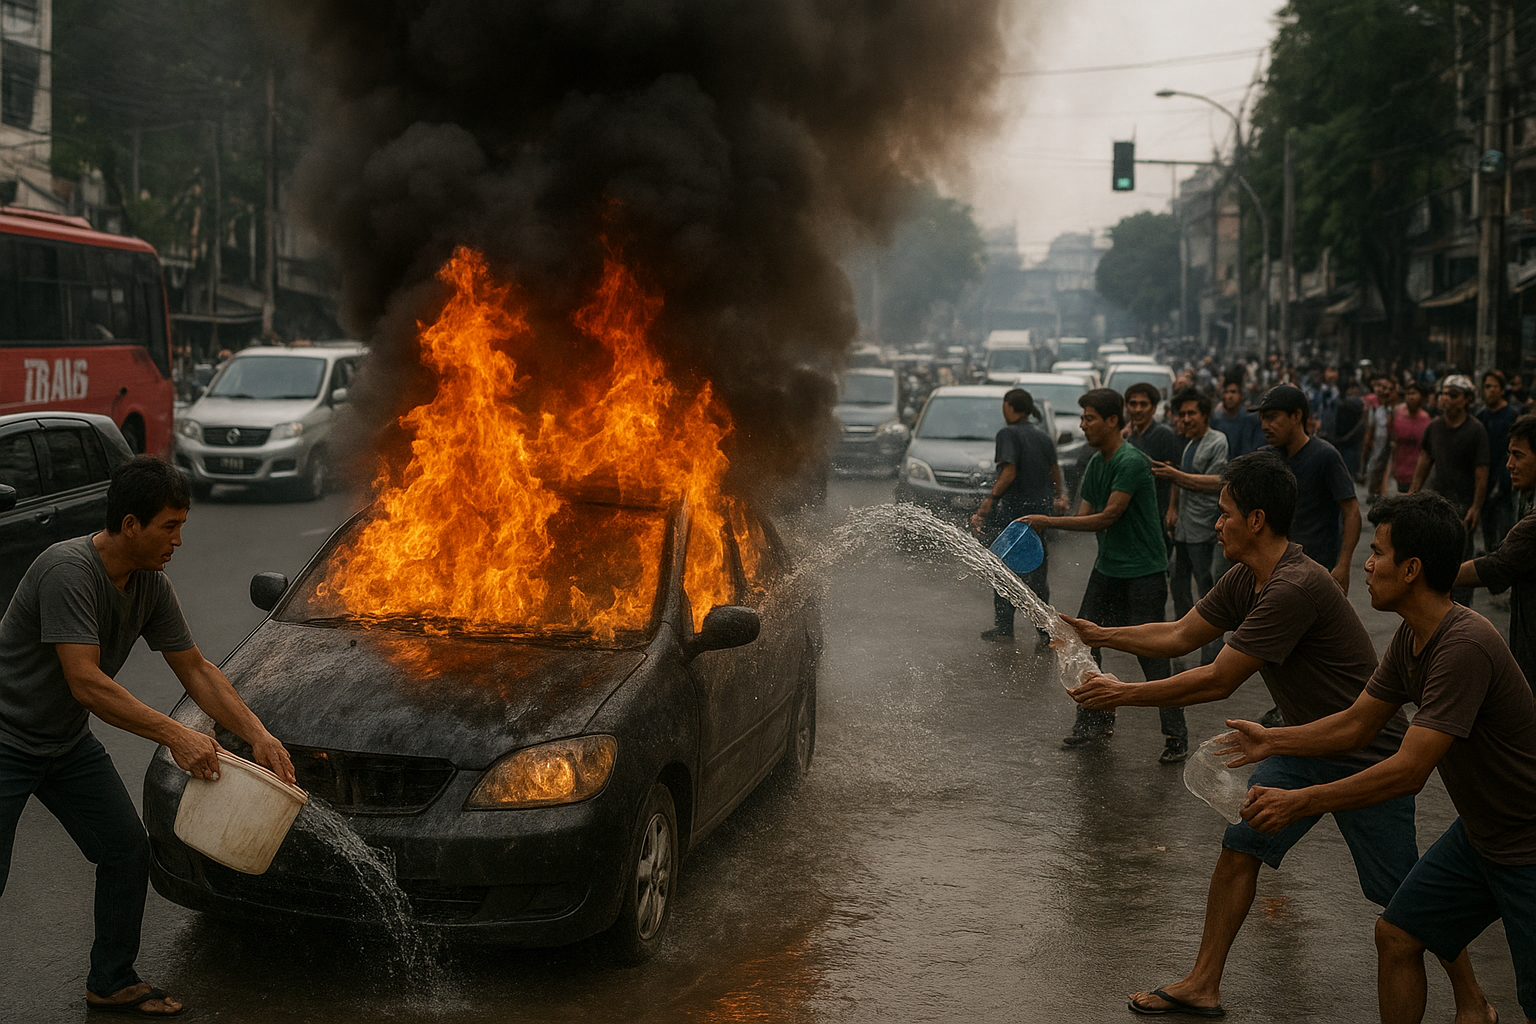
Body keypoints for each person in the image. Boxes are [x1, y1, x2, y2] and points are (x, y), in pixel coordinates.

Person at [1065, 455, 1490, 1021]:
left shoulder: (1293, 586)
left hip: (1365, 751)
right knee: (1241, 846)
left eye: (1225, 513)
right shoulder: (1249, 577)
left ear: (1257, 519)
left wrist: (1121, 694)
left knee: (1401, 893)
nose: (1217, 524)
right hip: (1296, 744)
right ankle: (1203, 983)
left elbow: (1219, 679)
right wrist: (1099, 634)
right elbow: (1181, 632)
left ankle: (1473, 999)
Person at [0, 456, 297, 1017]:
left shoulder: (150, 586)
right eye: (170, 525)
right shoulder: (68, 570)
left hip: (61, 744)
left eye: (182, 525)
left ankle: (111, 980)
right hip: (5, 737)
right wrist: (178, 735)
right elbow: (86, 682)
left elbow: (198, 669)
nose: (180, 540)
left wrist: (258, 735)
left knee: (125, 849)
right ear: (130, 524)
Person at [1227, 493, 1528, 1024]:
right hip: (1483, 834)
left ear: (1411, 569)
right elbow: (1358, 723)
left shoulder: (1464, 646)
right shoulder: (1413, 639)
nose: (1365, 564)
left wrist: (1300, 801)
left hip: (1527, 843)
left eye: (1378, 553)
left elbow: (1409, 771)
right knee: (1397, 934)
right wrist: (1275, 741)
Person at [1017, 388, 1188, 762]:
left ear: (1113, 421)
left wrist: (1047, 520)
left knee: (1151, 654)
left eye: (1089, 418)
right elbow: (1082, 517)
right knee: (1084, 644)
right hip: (1108, 569)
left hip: (1144, 572)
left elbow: (1108, 516)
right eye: (1082, 418)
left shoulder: (1131, 461)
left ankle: (1176, 735)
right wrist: (1049, 517)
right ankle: (1093, 721)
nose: (1082, 426)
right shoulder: (1096, 464)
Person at [970, 388, 1067, 643]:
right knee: (1037, 571)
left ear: (1009, 407)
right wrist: (1058, 497)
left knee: (1002, 569)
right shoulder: (1042, 436)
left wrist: (990, 501)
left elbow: (1009, 472)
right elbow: (1055, 470)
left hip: (1013, 514)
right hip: (1039, 514)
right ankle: (1045, 632)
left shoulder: (1007, 434)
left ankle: (1004, 628)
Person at [1455, 413, 1536, 686]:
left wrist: (1435, 575)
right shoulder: (1526, 501)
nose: (1509, 464)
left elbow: (1497, 565)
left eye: (1518, 455)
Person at [1255, 385, 1361, 592]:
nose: (1265, 426)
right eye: (1263, 418)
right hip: (1276, 566)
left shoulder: (1325, 456)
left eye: (1272, 417)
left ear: (1296, 416)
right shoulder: (1267, 457)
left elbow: (1352, 512)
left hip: (1317, 566)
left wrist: (1343, 565)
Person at [1153, 388, 1228, 667]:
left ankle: (1212, 655)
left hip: (1203, 528)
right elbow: (1179, 482)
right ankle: (1179, 646)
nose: (1185, 419)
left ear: (1205, 414)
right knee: (1179, 586)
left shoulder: (1216, 441)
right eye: (1182, 414)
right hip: (1183, 528)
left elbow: (1217, 482)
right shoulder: (1189, 444)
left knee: (1207, 592)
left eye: (1191, 413)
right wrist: (1172, 508)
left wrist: (1175, 475)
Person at [1411, 374, 1489, 606]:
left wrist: (1476, 507)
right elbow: (1425, 461)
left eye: (1453, 395)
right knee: (1432, 561)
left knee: (1460, 565)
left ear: (1466, 399)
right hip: (1437, 505)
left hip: (1463, 508)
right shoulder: (1434, 427)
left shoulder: (1476, 430)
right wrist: (1412, 496)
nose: (1446, 399)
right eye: (1443, 394)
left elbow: (1481, 472)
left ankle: (1461, 615)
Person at [1123, 381, 1182, 530]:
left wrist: (1172, 509)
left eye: (1143, 404)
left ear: (1154, 408)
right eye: (1133, 404)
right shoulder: (1131, 439)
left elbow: (1175, 476)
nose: (1138, 409)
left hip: (1159, 511)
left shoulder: (1164, 435)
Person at [1478, 370, 1520, 554]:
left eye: (1494, 386)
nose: (1490, 391)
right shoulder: (1481, 416)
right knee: (1486, 525)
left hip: (1505, 480)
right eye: (1487, 386)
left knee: (1505, 527)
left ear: (1502, 390)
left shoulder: (1512, 415)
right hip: (1484, 479)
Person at [1391, 382, 1432, 493]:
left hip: (1418, 471)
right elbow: (1395, 442)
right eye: (1408, 394)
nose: (1410, 397)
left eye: (1414, 393)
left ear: (1422, 398)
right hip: (1401, 470)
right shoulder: (1399, 416)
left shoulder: (1426, 420)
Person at [1211, 375, 1264, 459]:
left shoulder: (1250, 420)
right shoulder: (1216, 420)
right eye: (1226, 392)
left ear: (1241, 395)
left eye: (1233, 392)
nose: (1230, 396)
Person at [1363, 375, 1399, 502]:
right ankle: (1374, 492)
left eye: (1389, 389)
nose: (1385, 391)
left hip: (1389, 446)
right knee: (1375, 467)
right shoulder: (1377, 409)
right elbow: (1371, 428)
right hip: (1378, 444)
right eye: (1383, 388)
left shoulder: (1396, 410)